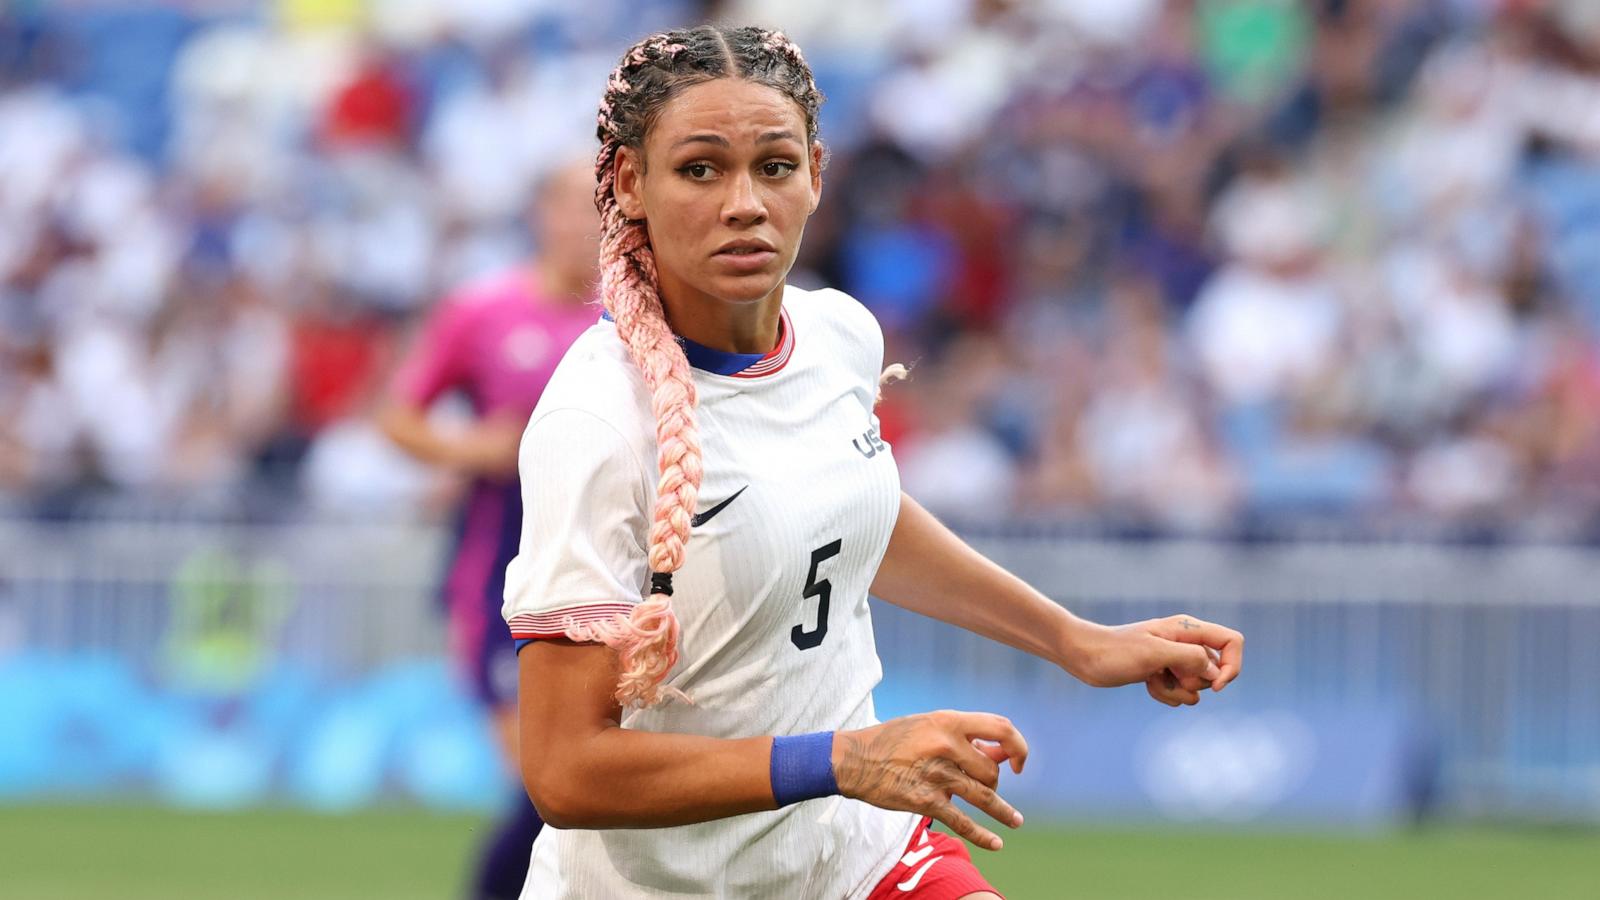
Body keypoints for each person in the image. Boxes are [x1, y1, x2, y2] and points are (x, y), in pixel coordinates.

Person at [504, 26, 1244, 899]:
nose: (744, 203)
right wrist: (844, 758)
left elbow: (856, 513)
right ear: (630, 183)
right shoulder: (598, 421)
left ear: (816, 172)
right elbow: (563, 771)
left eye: (774, 166)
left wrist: (1076, 641)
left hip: (861, 853)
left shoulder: (838, 334)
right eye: (700, 169)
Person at [378, 161, 601, 900]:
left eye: (597, 207)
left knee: (586, 799)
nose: (583, 223)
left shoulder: (641, 318)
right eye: (569, 206)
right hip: (501, 581)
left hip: (610, 581)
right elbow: (400, 415)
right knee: (551, 789)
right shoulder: (486, 312)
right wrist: (473, 449)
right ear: (541, 215)